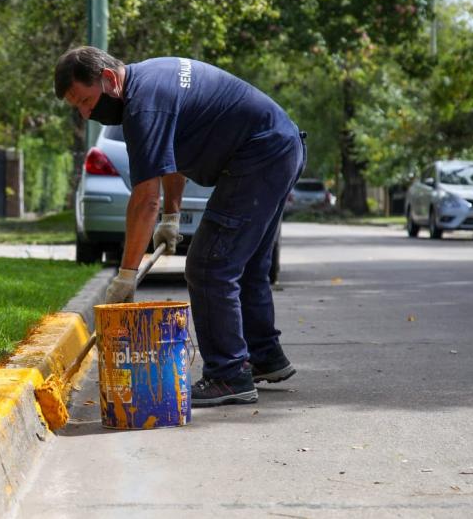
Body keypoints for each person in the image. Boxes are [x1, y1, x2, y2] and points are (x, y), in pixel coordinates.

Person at [54, 46, 306, 407]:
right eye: (77, 107)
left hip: (261, 154)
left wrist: (126, 275)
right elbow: (171, 160)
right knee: (244, 262)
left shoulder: (144, 105)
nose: (85, 113)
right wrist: (172, 216)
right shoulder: (148, 83)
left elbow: (144, 200)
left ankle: (228, 374)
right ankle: (263, 356)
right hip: (280, 145)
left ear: (108, 80)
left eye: (85, 101)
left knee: (208, 266)